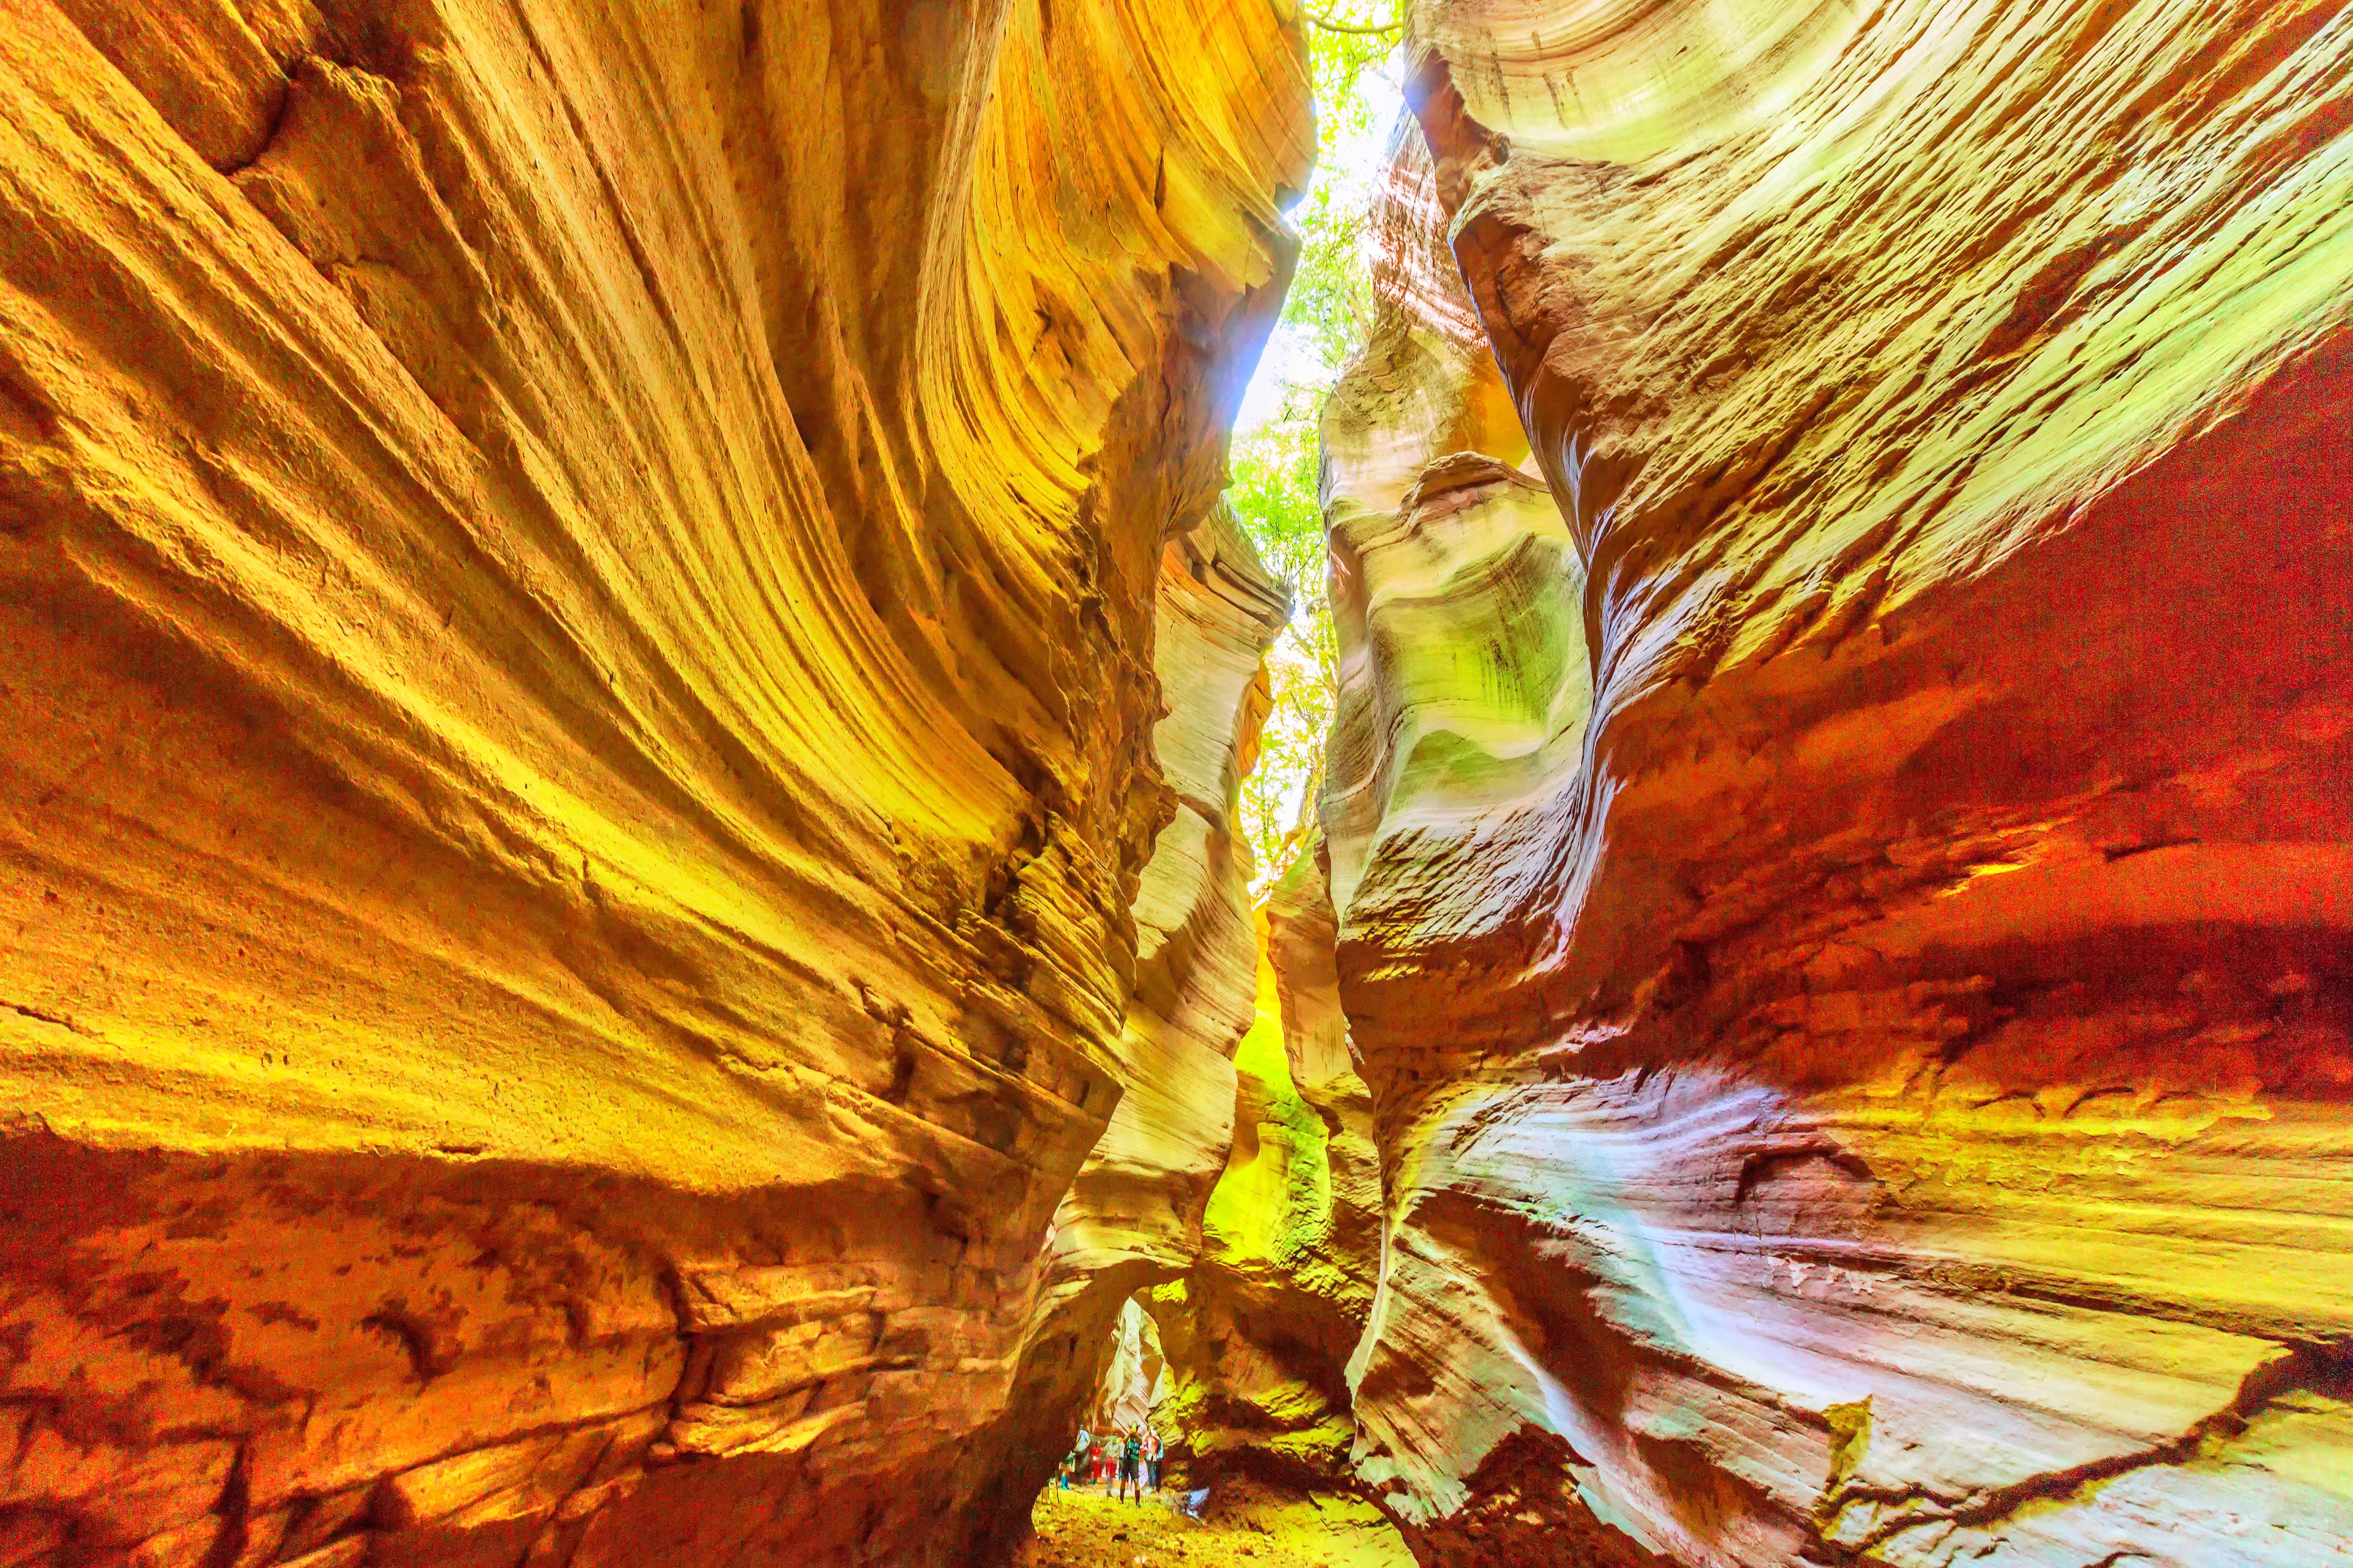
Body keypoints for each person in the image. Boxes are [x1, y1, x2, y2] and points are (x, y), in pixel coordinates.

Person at [1115, 1424, 1144, 1503]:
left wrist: (1134, 1434)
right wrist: (1130, 1434)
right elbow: (1123, 1442)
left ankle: (1136, 1502)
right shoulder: (1129, 1438)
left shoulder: (1138, 1438)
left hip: (1131, 1460)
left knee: (1134, 1480)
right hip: (1129, 1460)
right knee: (1126, 1479)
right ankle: (1123, 1500)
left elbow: (1140, 1442)